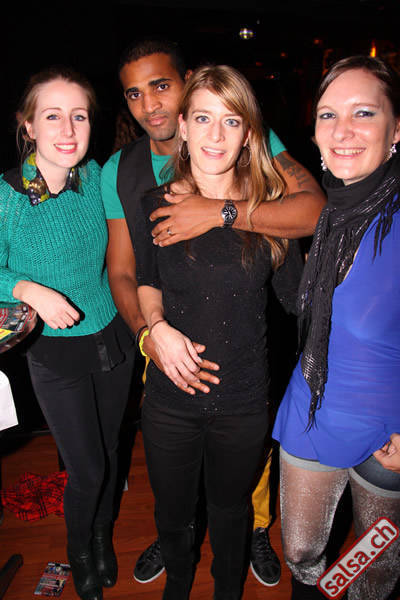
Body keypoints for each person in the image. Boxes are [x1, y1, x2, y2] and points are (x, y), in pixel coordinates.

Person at [101, 36, 325, 588]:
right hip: (169, 400)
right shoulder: (154, 204)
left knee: (231, 517)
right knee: (173, 520)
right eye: (202, 118)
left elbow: (300, 302)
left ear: (249, 134)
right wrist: (155, 329)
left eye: (230, 121)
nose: (215, 135)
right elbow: (144, 281)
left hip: (243, 401)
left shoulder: (269, 214)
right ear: (183, 127)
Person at [0, 67, 135, 600]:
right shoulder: (8, 196)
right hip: (55, 357)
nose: (68, 128)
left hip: (113, 340)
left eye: (79, 115)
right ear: (28, 126)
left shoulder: (95, 177)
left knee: (111, 451)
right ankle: (79, 549)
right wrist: (28, 288)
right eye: (52, 115)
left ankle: (102, 536)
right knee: (87, 467)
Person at [272, 55, 400, 600]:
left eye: (363, 113)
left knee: (377, 569)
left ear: (397, 130)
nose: (342, 131)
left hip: (389, 428)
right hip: (313, 403)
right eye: (328, 115)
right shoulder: (333, 210)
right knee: (301, 553)